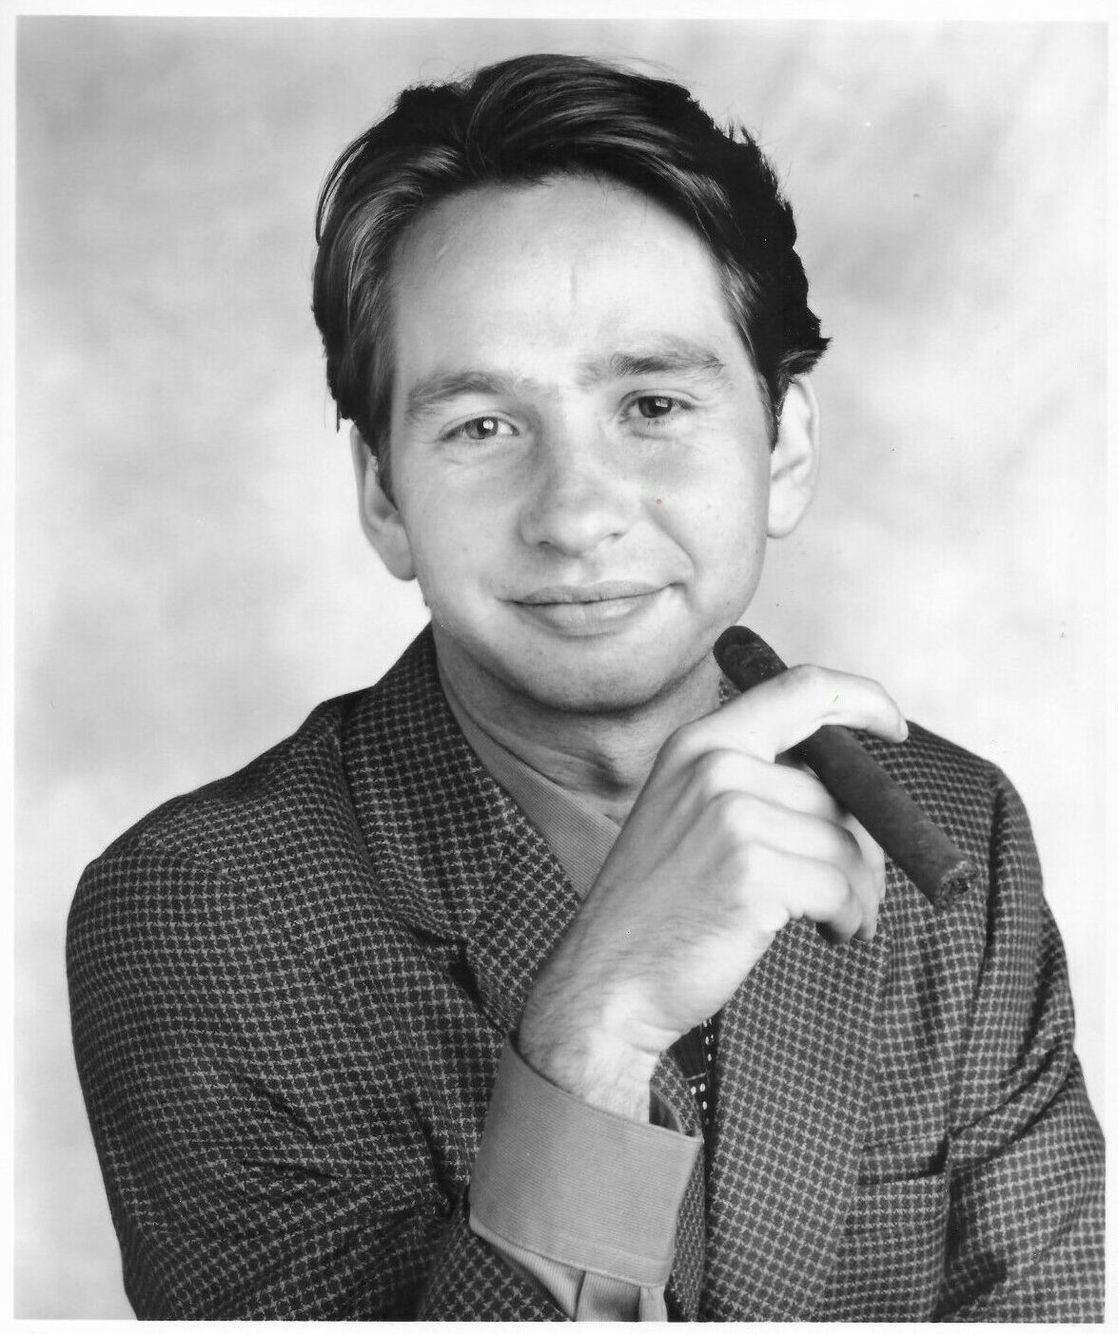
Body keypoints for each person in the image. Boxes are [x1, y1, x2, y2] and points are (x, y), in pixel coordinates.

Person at [66, 53, 1104, 1321]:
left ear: (782, 447)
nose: (573, 514)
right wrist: (594, 1027)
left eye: (651, 403)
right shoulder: (202, 909)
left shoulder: (950, 827)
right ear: (383, 496)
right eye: (481, 427)